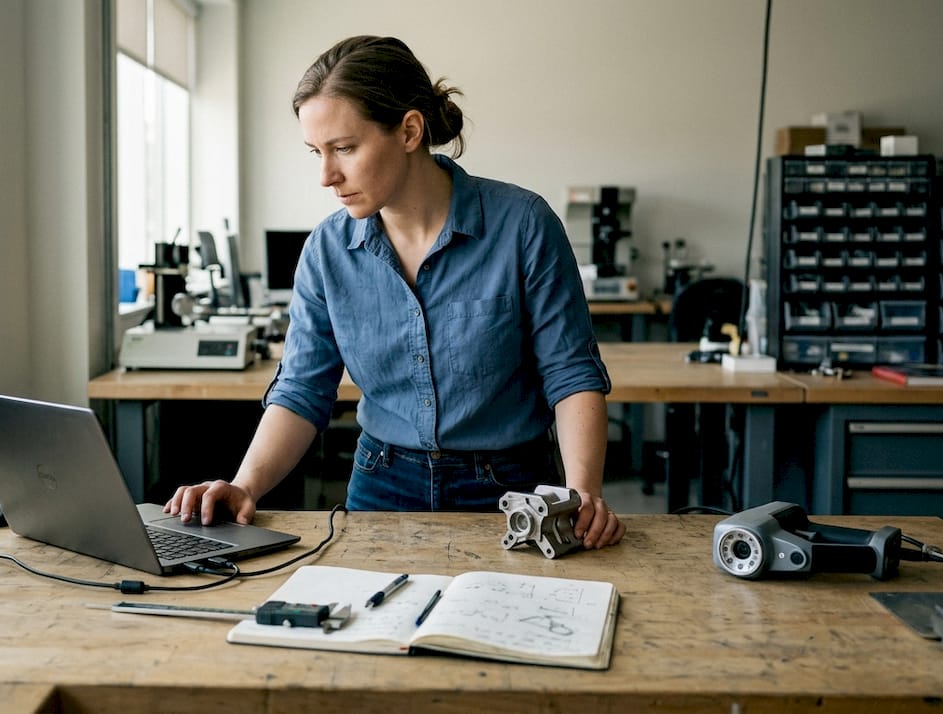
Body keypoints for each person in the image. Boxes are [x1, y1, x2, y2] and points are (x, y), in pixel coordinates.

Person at [166, 35, 625, 549]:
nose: (326, 175)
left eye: (344, 148)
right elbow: (302, 389)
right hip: (382, 483)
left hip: (510, 490)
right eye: (316, 152)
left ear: (409, 131)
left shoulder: (523, 225)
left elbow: (570, 372)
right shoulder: (327, 250)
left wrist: (581, 493)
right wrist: (245, 484)